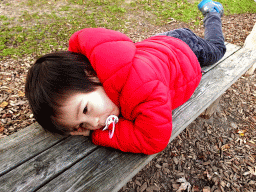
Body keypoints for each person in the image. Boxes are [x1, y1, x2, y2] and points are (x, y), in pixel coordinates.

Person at [25, 0, 226, 155]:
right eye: (83, 125)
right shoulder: (101, 70)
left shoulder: (142, 88)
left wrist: (97, 136)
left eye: (85, 110)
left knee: (217, 49)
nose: (94, 123)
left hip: (188, 49)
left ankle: (212, 12)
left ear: (90, 73)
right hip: (161, 43)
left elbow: (153, 140)